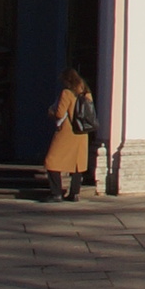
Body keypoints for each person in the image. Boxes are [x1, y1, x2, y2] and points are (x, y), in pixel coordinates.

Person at [44, 67, 91, 203]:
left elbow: (60, 113)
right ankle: (74, 193)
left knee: (52, 161)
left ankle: (56, 193)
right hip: (82, 133)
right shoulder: (86, 93)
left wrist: (51, 112)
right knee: (78, 164)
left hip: (67, 132)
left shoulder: (67, 93)